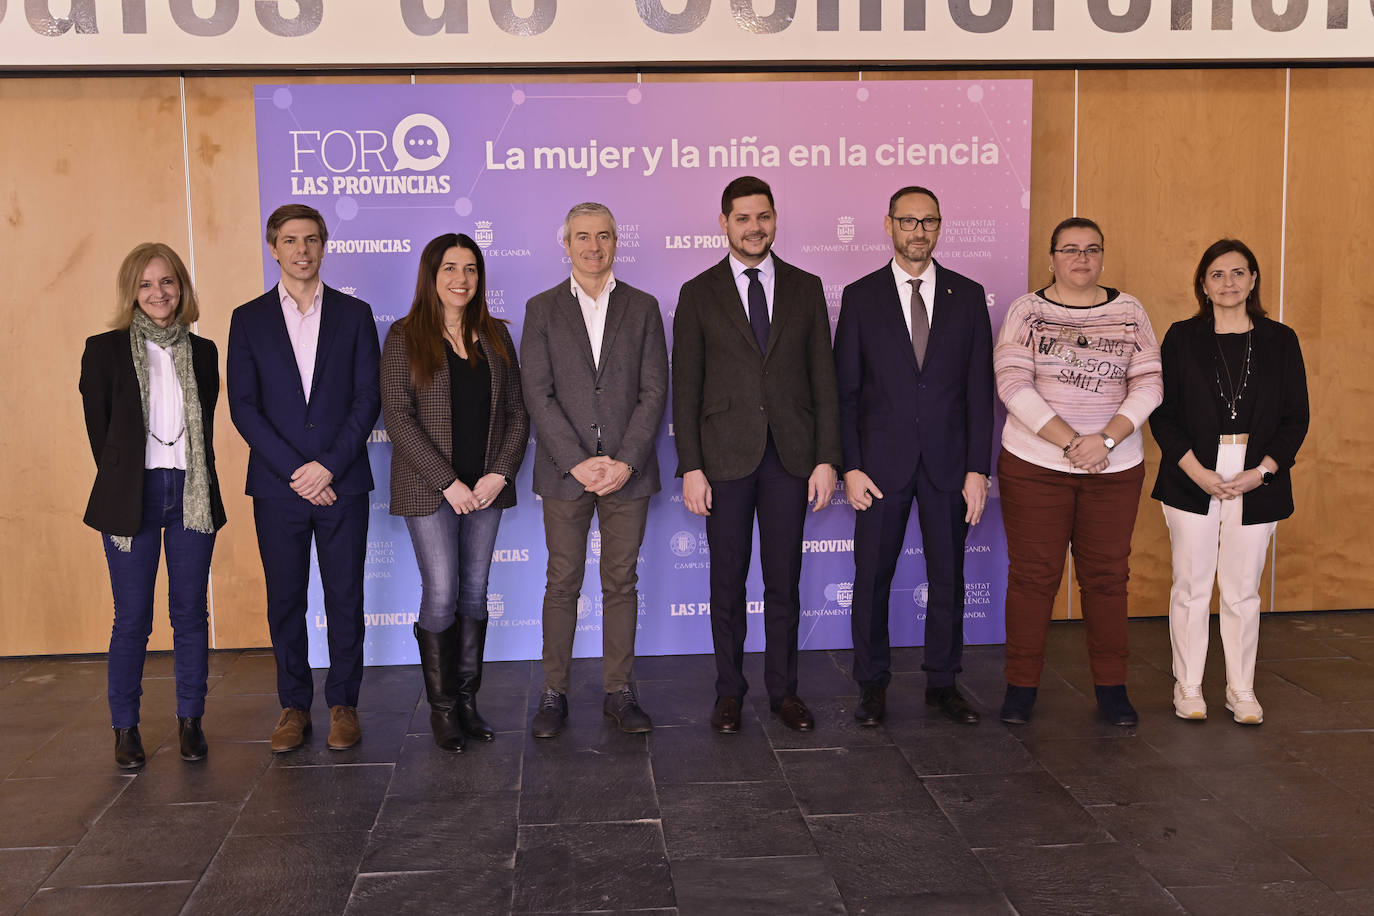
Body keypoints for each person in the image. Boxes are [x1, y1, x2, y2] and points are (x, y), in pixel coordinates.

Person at [673, 176, 842, 733]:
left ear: (775, 219)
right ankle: (729, 693)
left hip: (791, 459)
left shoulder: (806, 286)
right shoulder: (697, 293)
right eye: (743, 218)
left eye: (763, 216)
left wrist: (826, 458)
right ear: (723, 223)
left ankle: (784, 693)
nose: (755, 227)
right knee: (726, 582)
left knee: (783, 582)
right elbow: (686, 389)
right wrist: (691, 467)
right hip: (722, 461)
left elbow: (824, 380)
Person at [833, 186, 994, 726]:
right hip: (879, 468)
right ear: (889, 225)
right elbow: (846, 392)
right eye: (908, 221)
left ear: (940, 227)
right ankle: (871, 685)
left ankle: (943, 684)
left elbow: (978, 391)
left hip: (950, 465)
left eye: (928, 221)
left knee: (948, 577)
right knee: (872, 576)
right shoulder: (860, 297)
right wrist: (850, 466)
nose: (918, 231)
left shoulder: (968, 297)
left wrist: (978, 468)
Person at [993, 217, 1162, 727]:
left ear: (1103, 257)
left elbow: (1150, 384)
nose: (1081, 258)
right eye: (1069, 250)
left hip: (1114, 469)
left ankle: (1112, 688)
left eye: (1091, 249)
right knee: (1032, 579)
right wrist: (1071, 442)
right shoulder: (1028, 310)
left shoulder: (1129, 310)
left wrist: (1106, 439)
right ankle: (1020, 688)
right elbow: (1012, 383)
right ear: (1052, 259)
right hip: (1035, 466)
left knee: (1108, 579)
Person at [227, 204, 381, 753]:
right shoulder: (248, 319)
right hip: (278, 488)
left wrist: (328, 467)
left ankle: (344, 704)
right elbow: (243, 408)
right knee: (286, 598)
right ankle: (294, 706)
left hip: (343, 484)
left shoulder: (355, 314)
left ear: (323, 246)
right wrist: (297, 471)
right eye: (290, 240)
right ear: (274, 247)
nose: (301, 250)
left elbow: (368, 400)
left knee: (344, 596)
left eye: (311, 239)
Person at [521, 202, 668, 738]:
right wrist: (579, 462)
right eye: (582, 237)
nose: (593, 246)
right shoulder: (541, 309)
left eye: (603, 236)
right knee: (562, 581)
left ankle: (619, 691)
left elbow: (654, 390)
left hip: (629, 472)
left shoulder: (644, 306)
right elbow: (538, 392)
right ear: (566, 244)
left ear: (615, 241)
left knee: (620, 582)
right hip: (566, 472)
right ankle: (554, 692)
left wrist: (625, 461)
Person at [1149, 239, 1308, 725]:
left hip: (1256, 473)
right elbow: (1163, 414)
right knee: (1191, 587)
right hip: (1192, 471)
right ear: (1203, 283)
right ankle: (1189, 687)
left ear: (1254, 280)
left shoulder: (1281, 339)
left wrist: (1260, 472)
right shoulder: (1181, 337)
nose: (1229, 283)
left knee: (1241, 591)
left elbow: (1295, 418)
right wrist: (1197, 471)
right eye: (1217, 275)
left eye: (1238, 273)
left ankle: (1241, 690)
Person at [81, 243, 227, 768]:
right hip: (132, 498)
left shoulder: (204, 351)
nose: (158, 293)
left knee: (189, 613)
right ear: (131, 292)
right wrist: (130, 481)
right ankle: (126, 729)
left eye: (167, 282)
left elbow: (204, 426)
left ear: (181, 287)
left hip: (190, 494)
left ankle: (191, 721)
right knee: (132, 619)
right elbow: (102, 436)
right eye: (145, 284)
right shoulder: (104, 350)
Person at [381, 233, 528, 751]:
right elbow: (397, 416)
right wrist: (448, 482)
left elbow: (517, 412)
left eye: (470, 269)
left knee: (475, 593)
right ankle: (443, 711)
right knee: (441, 592)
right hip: (430, 489)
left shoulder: (496, 336)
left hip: (486, 488)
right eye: (450, 268)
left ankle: (468, 701)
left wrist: (500, 474)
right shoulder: (404, 335)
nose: (461, 279)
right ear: (431, 274)